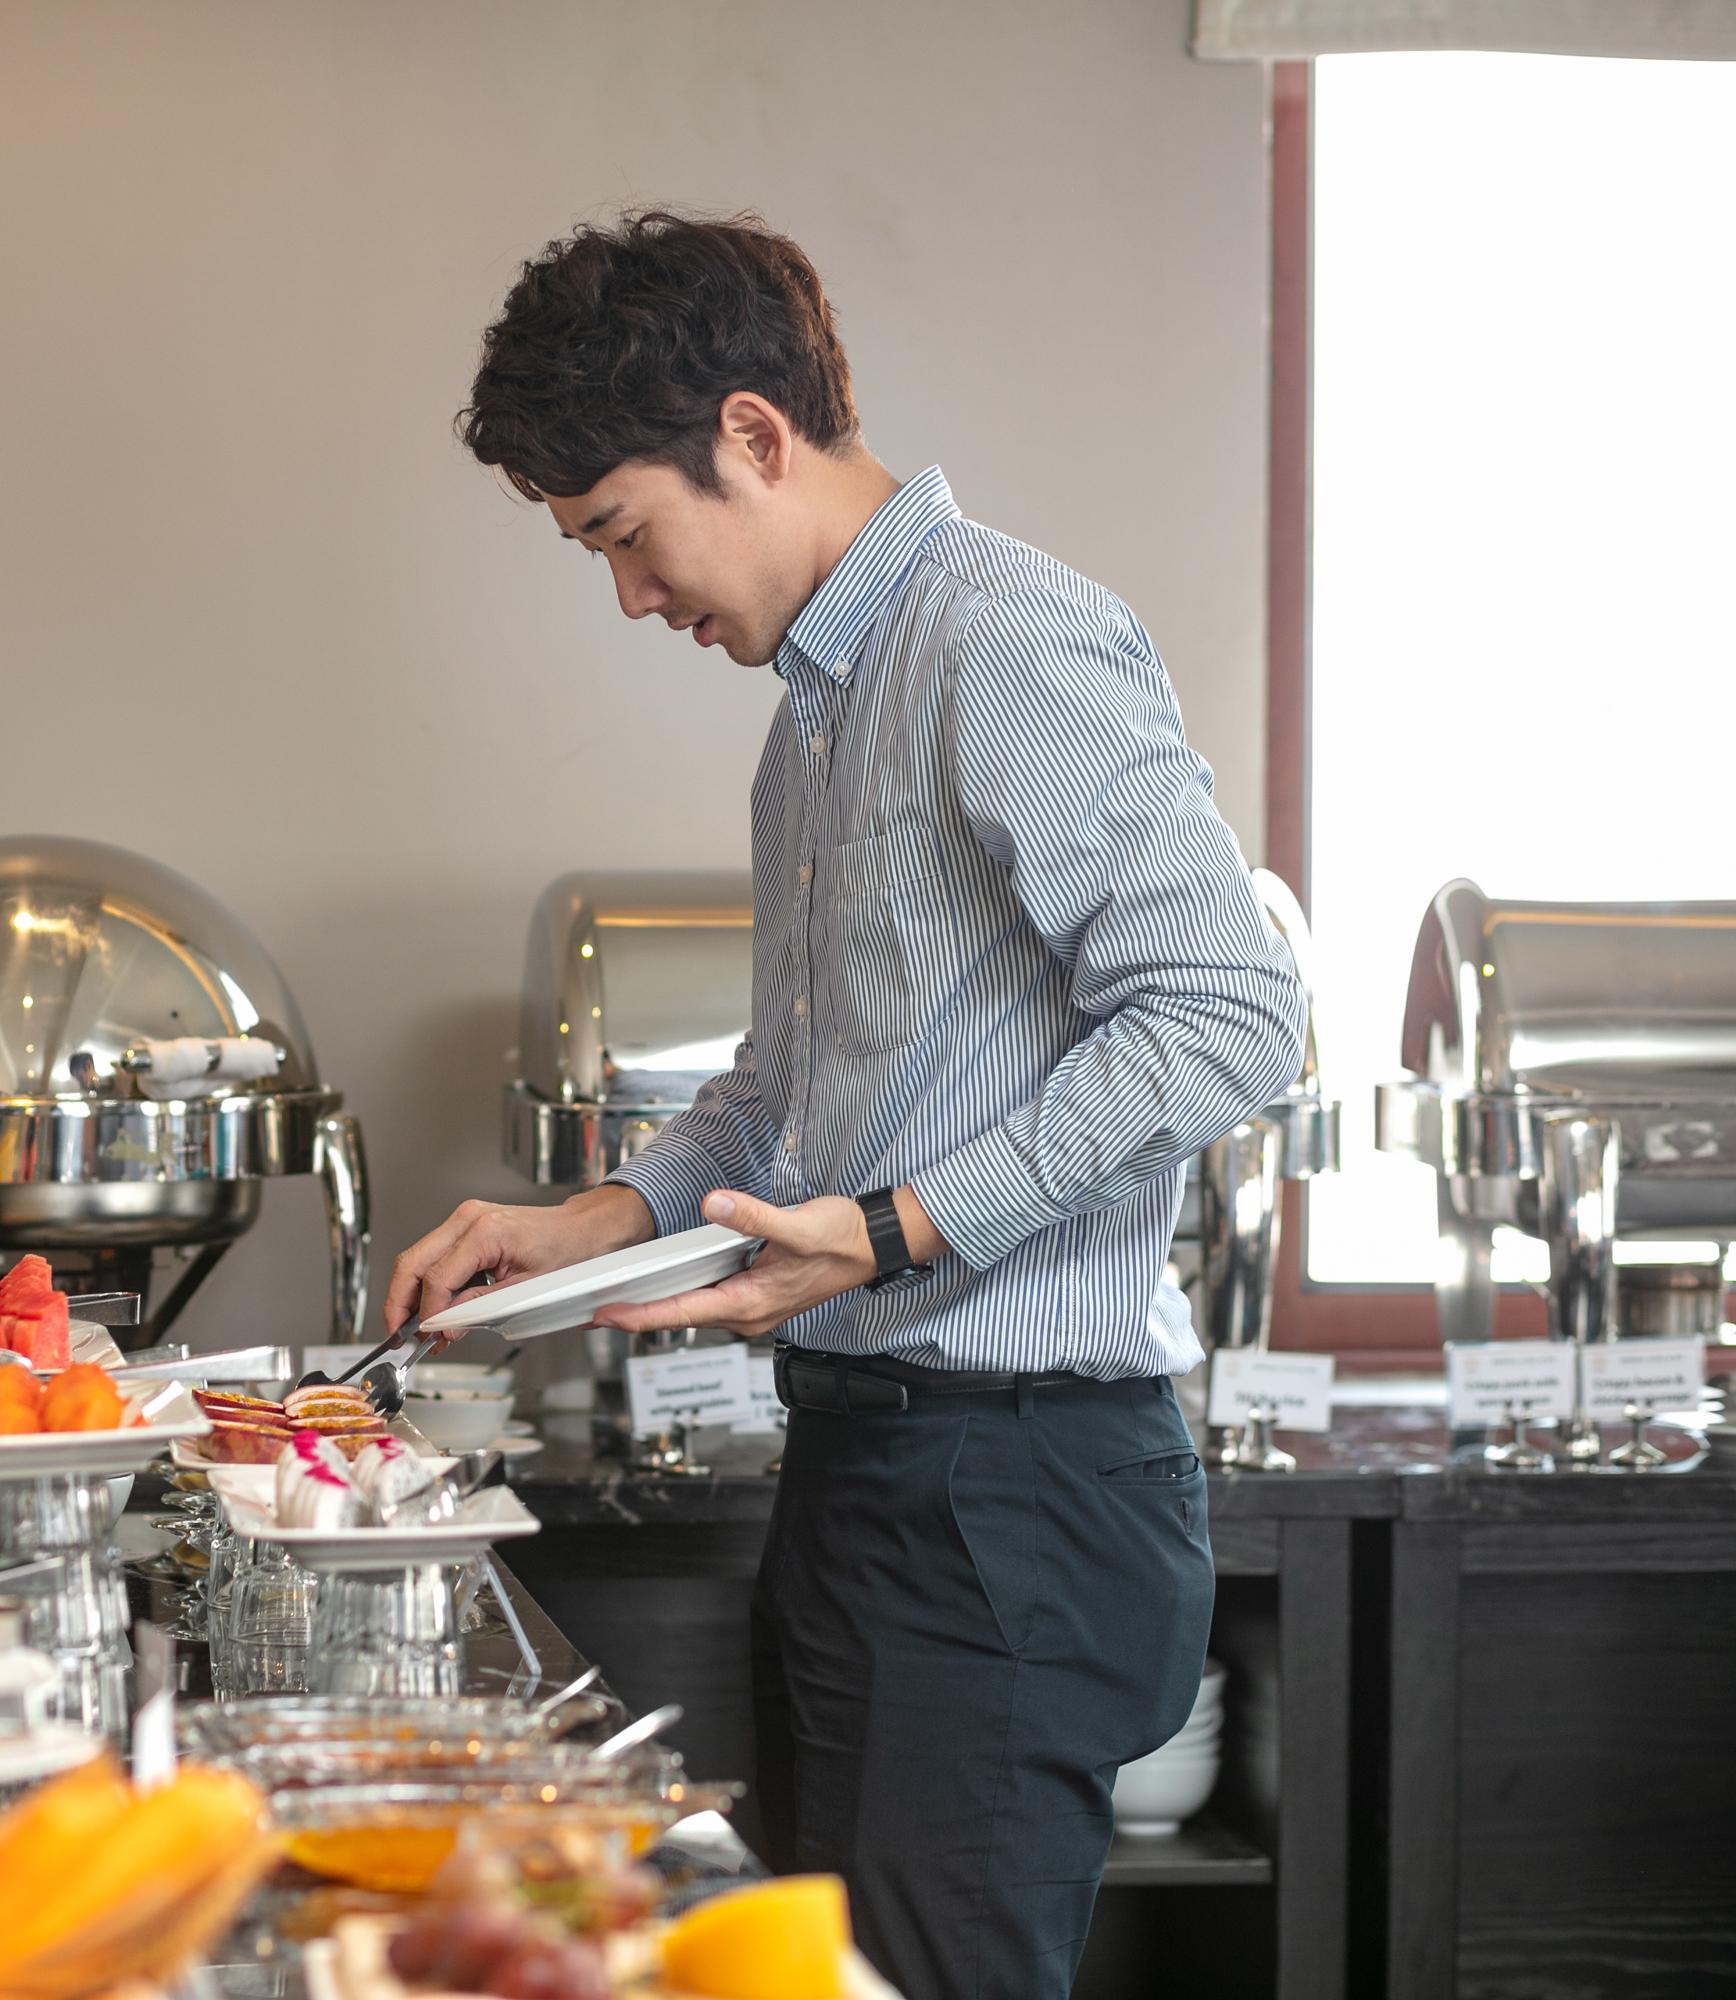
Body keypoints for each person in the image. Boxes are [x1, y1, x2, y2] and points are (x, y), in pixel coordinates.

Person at [391, 211, 1307, 2000]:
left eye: (625, 536)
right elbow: (791, 1088)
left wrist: (897, 1228)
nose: (634, 597)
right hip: (880, 1471)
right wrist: (597, 1217)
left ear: (751, 435)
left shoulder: (1008, 640)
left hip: (1012, 1484)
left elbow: (1232, 1008)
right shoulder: (816, 710)